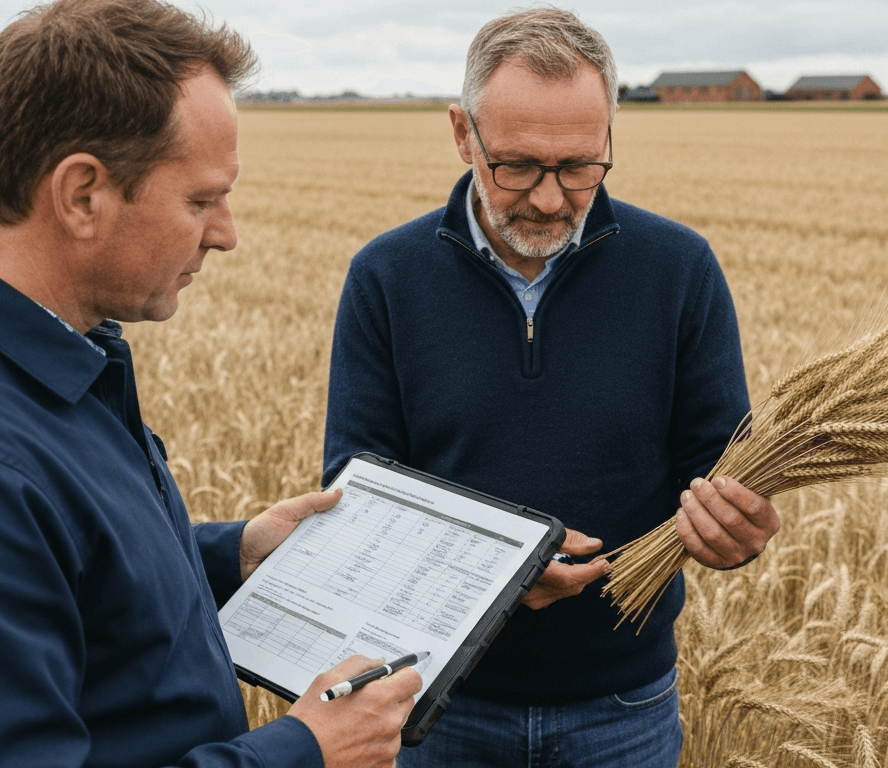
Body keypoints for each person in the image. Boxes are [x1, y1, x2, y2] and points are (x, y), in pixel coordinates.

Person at [0, 1, 419, 766]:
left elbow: (55, 573)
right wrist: (306, 753)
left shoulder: (2, 352)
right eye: (201, 200)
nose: (226, 233)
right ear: (82, 194)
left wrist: (232, 557)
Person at [321, 7, 781, 766]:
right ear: (462, 134)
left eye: (577, 167)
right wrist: (496, 571)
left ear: (609, 139)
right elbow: (355, 491)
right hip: (441, 704)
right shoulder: (387, 277)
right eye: (518, 166)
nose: (547, 199)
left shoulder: (679, 269)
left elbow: (717, 467)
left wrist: (738, 529)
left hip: (623, 708)